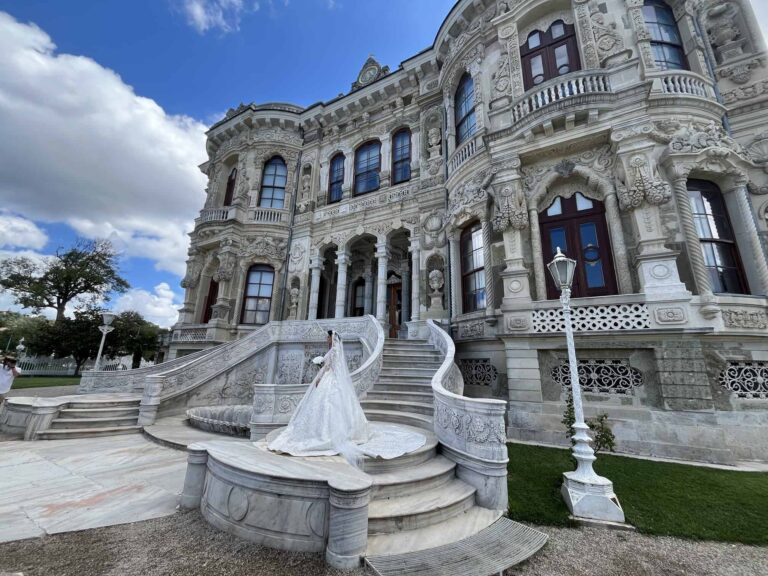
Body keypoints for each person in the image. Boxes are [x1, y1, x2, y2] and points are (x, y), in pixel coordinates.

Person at [268, 331, 369, 462]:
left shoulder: (333, 351)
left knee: (327, 404)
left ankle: (325, 434)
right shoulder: (334, 350)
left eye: (328, 337)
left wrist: (320, 377)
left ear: (332, 338)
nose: (326, 339)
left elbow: (329, 367)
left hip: (329, 379)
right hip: (332, 379)